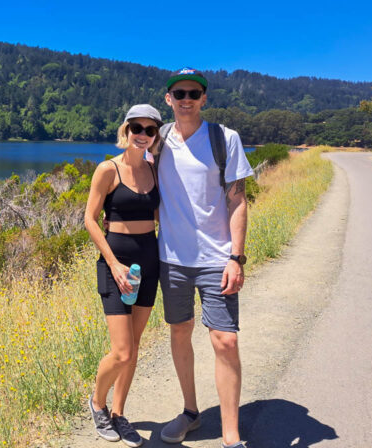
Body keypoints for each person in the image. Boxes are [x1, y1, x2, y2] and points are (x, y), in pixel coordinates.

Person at [152, 68, 253, 448]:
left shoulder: (224, 139)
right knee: (180, 331)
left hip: (216, 259)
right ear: (169, 99)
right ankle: (191, 412)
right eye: (179, 93)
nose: (187, 99)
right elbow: (136, 181)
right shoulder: (156, 140)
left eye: (194, 92)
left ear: (204, 98)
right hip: (172, 259)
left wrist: (236, 258)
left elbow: (238, 199)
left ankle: (231, 435)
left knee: (225, 340)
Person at [84, 104, 163, 446]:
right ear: (125, 131)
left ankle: (118, 413)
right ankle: (97, 403)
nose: (142, 135)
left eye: (149, 130)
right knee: (122, 351)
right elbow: (90, 219)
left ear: (155, 136)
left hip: (149, 260)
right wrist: (113, 263)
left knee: (135, 344)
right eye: (136, 128)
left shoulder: (154, 169)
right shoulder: (107, 170)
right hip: (115, 265)